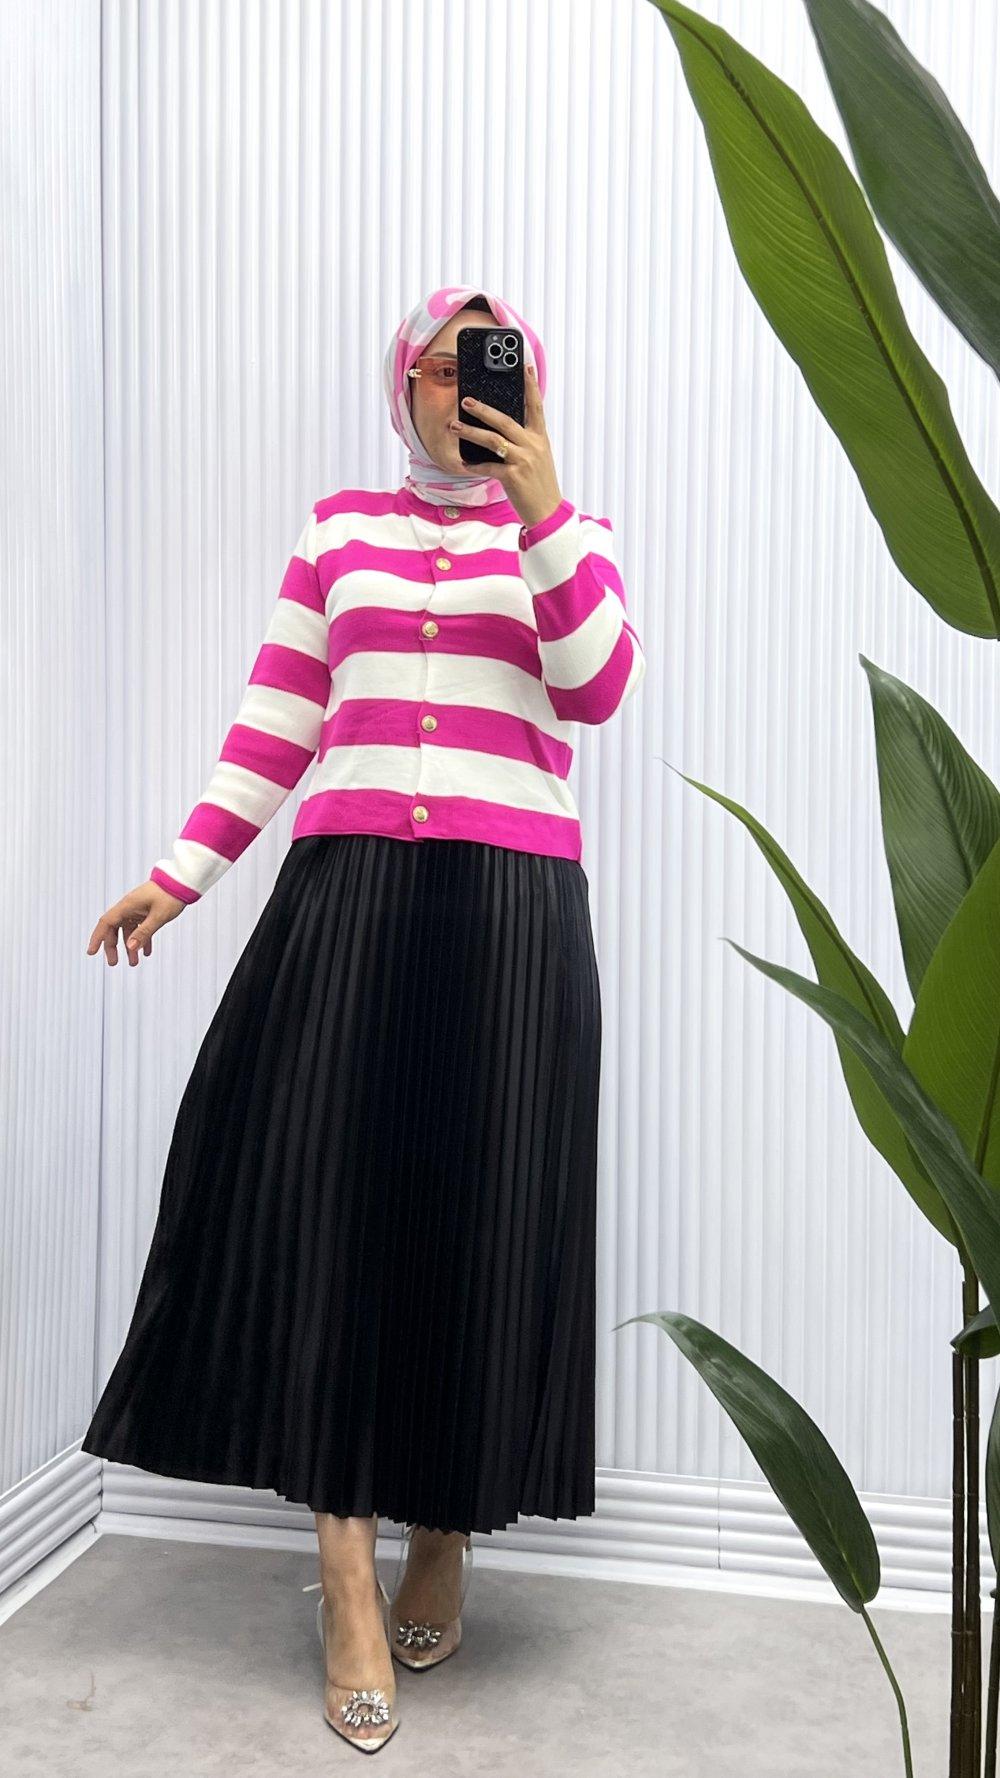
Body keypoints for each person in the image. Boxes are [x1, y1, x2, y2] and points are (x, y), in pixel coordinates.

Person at [82, 283, 646, 1750]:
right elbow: (276, 717)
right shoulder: (337, 530)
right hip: (346, 903)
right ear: (401, 385)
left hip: (514, 922)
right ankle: (343, 1575)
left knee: (478, 1226)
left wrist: (543, 502)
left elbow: (598, 690)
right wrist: (180, 874)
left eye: (491, 367)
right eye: (442, 367)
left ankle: (442, 1532)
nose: (464, 389)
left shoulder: (572, 534)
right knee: (323, 1221)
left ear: (528, 386)